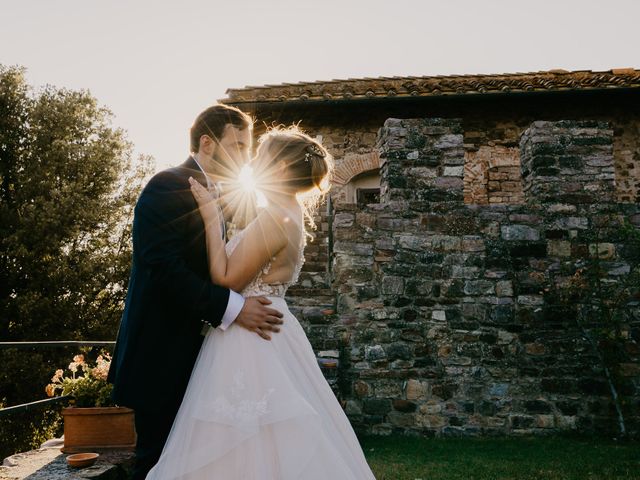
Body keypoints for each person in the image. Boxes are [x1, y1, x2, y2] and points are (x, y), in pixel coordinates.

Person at [145, 126, 377, 479]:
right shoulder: (286, 213)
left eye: (261, 158)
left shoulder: (275, 217)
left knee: (250, 439)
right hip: (264, 328)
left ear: (280, 170)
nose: (252, 165)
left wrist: (209, 216)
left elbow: (226, 279)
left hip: (251, 338)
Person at [107, 105, 285, 480]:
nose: (246, 160)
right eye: (238, 146)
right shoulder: (168, 185)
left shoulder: (217, 196)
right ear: (207, 142)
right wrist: (235, 309)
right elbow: (164, 271)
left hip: (200, 361)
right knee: (158, 465)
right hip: (161, 359)